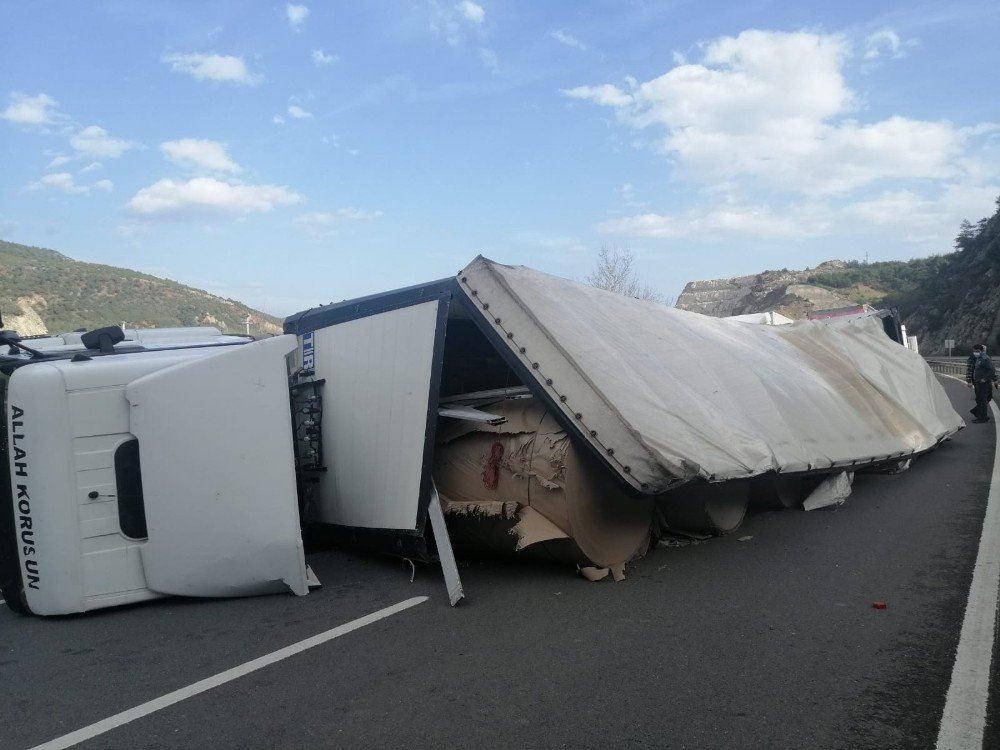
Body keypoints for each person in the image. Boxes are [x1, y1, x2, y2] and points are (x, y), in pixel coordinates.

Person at [970, 344, 998, 423]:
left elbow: (992, 370)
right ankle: (979, 414)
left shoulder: (985, 359)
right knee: (981, 400)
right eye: (974, 351)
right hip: (979, 383)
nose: (975, 353)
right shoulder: (979, 358)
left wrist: (985, 379)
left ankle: (982, 418)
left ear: (982, 351)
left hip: (983, 383)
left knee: (982, 400)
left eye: (977, 351)